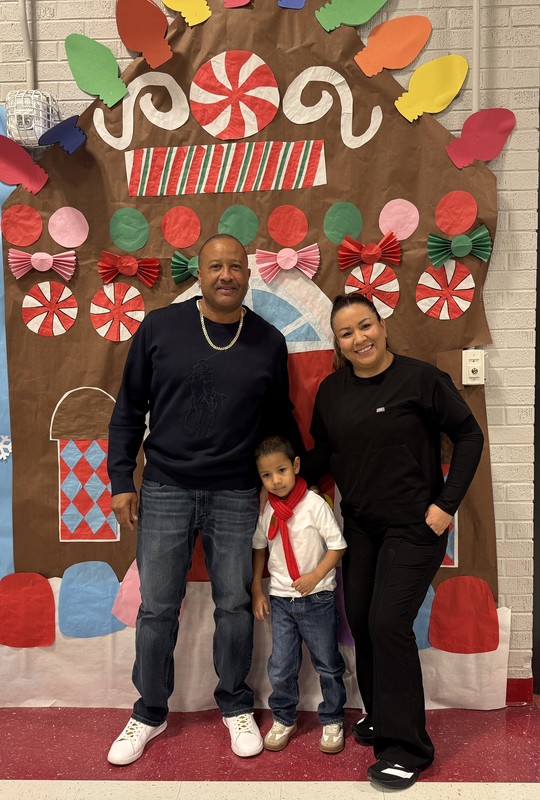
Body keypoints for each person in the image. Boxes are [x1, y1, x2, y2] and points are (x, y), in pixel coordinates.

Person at [106, 234, 303, 765]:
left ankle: (236, 704)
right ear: (199, 270)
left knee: (235, 605)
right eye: (215, 266)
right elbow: (128, 409)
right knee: (157, 608)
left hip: (237, 492)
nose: (225, 275)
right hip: (166, 486)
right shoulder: (159, 327)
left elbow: (279, 419)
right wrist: (121, 479)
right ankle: (148, 712)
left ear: (247, 273)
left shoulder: (267, 340)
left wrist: (302, 477)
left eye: (235, 266)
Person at [301, 293, 484, 790]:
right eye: (347, 333)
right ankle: (382, 715)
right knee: (361, 620)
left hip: (415, 527)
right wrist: (286, 471)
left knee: (387, 622)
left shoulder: (420, 379)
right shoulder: (333, 392)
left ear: (382, 326)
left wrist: (446, 504)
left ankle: (408, 748)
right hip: (361, 526)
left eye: (366, 326)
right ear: (338, 343)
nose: (359, 338)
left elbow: (469, 436)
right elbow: (326, 454)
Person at [252, 435, 347, 754]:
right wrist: (256, 589)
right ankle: (284, 717)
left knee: (328, 664)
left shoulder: (314, 505)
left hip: (317, 599)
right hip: (280, 601)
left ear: (295, 466)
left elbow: (338, 546)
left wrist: (316, 576)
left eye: (280, 470)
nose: (275, 480)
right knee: (281, 664)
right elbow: (260, 547)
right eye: (266, 475)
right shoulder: (267, 511)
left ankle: (333, 718)